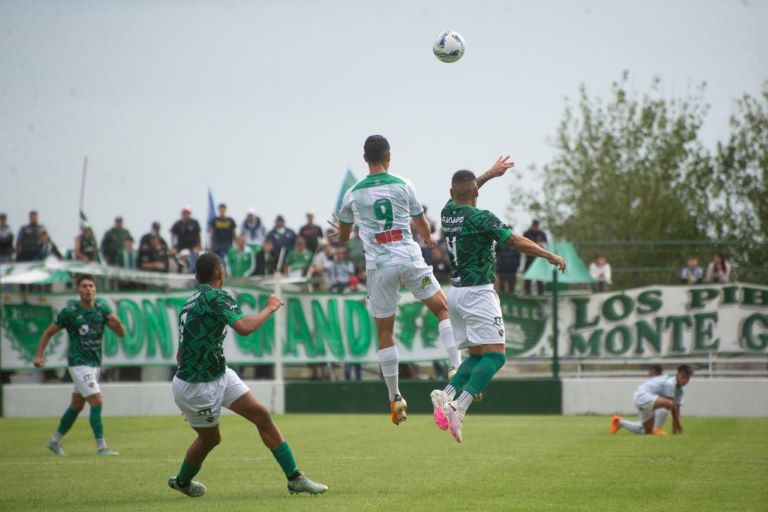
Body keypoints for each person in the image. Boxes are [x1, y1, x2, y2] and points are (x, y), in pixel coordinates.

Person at [429, 159, 567, 443]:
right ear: (476, 192)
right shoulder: (482, 218)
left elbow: (466, 190)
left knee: (477, 357)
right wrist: (548, 254)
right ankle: (460, 407)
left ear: (451, 192)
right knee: (496, 356)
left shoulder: (447, 213)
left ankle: (447, 394)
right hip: (479, 294)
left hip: (455, 294)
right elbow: (514, 241)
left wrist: (490, 174)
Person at [168, 253, 327, 497]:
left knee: (262, 415)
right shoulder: (217, 296)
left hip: (216, 374)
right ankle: (181, 481)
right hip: (197, 386)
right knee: (211, 439)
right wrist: (270, 308)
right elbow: (244, 328)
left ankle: (295, 478)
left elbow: (180, 354)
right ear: (220, 272)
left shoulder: (190, 302)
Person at [330, 135, 462, 425]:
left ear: (365, 159)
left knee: (385, 332)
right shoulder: (404, 184)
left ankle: (395, 398)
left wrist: (337, 234)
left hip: (379, 266)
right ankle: (455, 366)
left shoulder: (352, 193)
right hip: (409, 259)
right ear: (389, 156)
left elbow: (342, 238)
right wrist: (427, 237)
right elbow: (421, 223)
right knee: (442, 309)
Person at [33, 274, 126, 456]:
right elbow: (48, 332)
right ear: (78, 290)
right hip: (78, 363)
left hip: (94, 364)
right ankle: (102, 447)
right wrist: (39, 356)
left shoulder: (101, 308)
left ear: (95, 289)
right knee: (97, 401)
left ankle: (54, 441)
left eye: (91, 286)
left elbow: (120, 333)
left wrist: (118, 324)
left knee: (77, 405)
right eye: (84, 286)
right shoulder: (70, 312)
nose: (88, 289)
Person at [610, 365, 694, 436]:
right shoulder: (670, 383)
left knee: (645, 431)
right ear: (677, 374)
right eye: (682, 377)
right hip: (642, 396)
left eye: (687, 378)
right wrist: (677, 423)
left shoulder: (680, 391)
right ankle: (658, 428)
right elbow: (671, 405)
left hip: (649, 399)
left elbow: (676, 408)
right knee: (668, 403)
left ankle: (619, 422)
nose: (685, 380)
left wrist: (676, 426)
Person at [522, 220, 548, 295]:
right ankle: (527, 292)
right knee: (528, 276)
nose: (535, 227)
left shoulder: (542, 234)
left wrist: (541, 245)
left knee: (540, 277)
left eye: (537, 225)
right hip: (529, 257)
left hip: (539, 259)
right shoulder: (527, 233)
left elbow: (546, 244)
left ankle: (541, 293)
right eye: (534, 225)